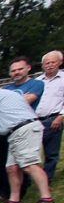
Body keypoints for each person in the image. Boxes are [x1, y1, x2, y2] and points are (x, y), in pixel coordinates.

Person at [0, 77, 55, 203]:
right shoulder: (10, 93)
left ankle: (46, 198)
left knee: (29, 165)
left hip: (22, 129)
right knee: (12, 168)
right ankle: (14, 199)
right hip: (19, 130)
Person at [35, 51, 64, 181]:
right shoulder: (37, 81)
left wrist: (60, 116)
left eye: (53, 62)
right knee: (32, 152)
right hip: (35, 120)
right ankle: (31, 179)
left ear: (60, 62)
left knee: (51, 153)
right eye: (47, 63)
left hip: (53, 119)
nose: (50, 65)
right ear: (42, 65)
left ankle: (47, 180)